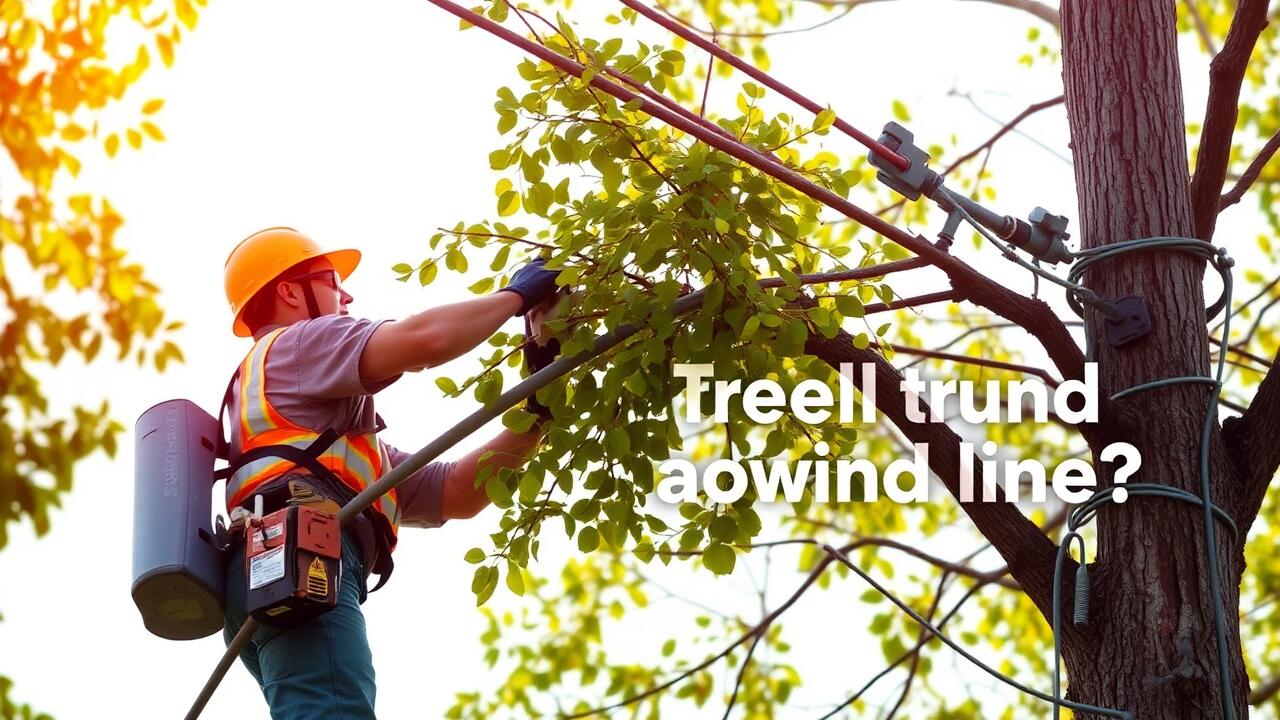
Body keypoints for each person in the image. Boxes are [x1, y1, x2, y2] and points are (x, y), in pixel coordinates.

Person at [218, 227, 559, 719]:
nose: (347, 294)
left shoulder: (322, 446)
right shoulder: (298, 345)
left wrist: (538, 411)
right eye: (332, 279)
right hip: (300, 560)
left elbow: (458, 493)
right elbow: (426, 340)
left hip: (272, 569)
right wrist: (517, 294)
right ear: (290, 291)